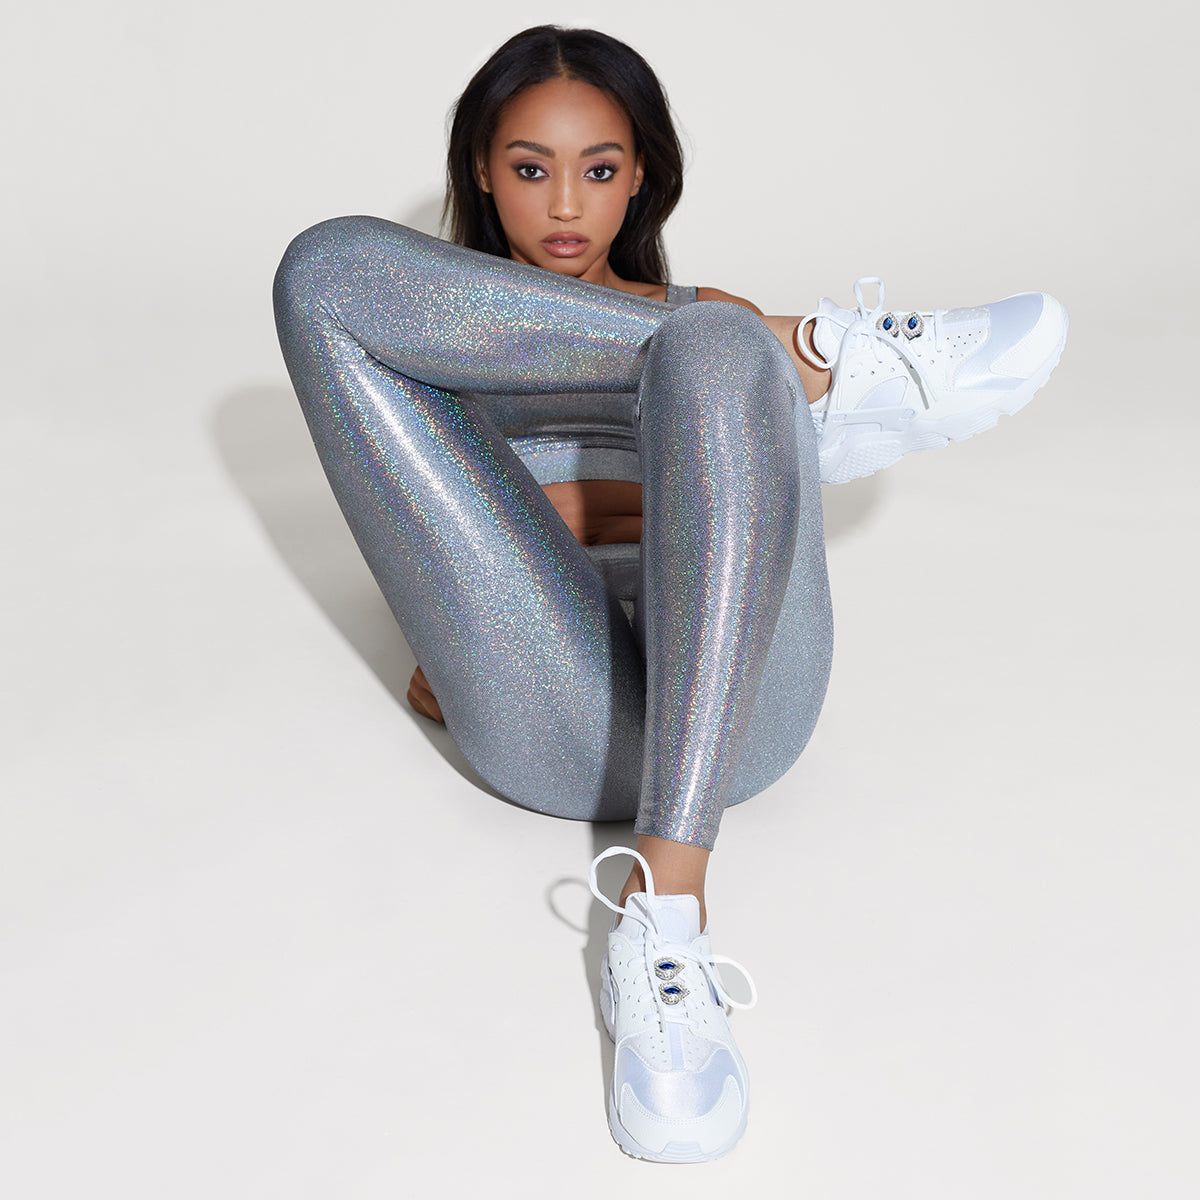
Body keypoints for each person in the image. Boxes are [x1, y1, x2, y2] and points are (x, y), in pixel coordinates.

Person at [272, 25, 1068, 1163]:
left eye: (599, 168)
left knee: (711, 347)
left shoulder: (707, 327)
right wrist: (629, 514)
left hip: (747, 711)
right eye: (530, 167)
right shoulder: (423, 348)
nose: (565, 204)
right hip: (563, 722)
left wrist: (546, 510)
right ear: (482, 173)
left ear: (640, 174)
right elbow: (434, 546)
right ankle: (828, 358)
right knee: (322, 266)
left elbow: (691, 529)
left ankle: (665, 925)